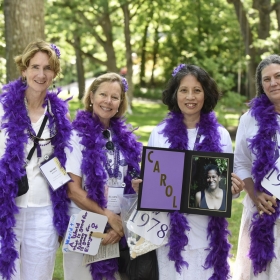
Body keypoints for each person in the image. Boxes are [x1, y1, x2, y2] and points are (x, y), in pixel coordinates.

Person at [132, 64, 244, 279]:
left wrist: (234, 189)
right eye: (183, 90)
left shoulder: (220, 135)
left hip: (206, 236)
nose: (190, 97)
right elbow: (153, 181)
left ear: (206, 94)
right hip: (169, 235)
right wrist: (143, 188)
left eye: (197, 90)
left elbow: (226, 187)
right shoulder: (159, 134)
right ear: (175, 94)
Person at [0, 40, 72, 280]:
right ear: (24, 70)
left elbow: (64, 159)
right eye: (35, 67)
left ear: (54, 73)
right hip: (6, 206)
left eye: (48, 68)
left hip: (45, 208)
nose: (41, 74)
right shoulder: (2, 106)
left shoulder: (59, 113)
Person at [63, 72, 142, 280]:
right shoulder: (76, 136)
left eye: (115, 97)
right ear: (91, 96)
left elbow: (133, 188)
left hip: (118, 231)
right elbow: (73, 191)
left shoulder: (125, 140)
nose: (108, 101)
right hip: (85, 227)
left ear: (120, 103)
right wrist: (109, 216)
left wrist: (120, 225)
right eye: (103, 94)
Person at [233, 54, 280, 279]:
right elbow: (240, 162)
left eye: (278, 76)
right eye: (267, 79)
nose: (273, 83)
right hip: (260, 212)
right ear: (261, 85)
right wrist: (255, 194)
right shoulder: (249, 119)